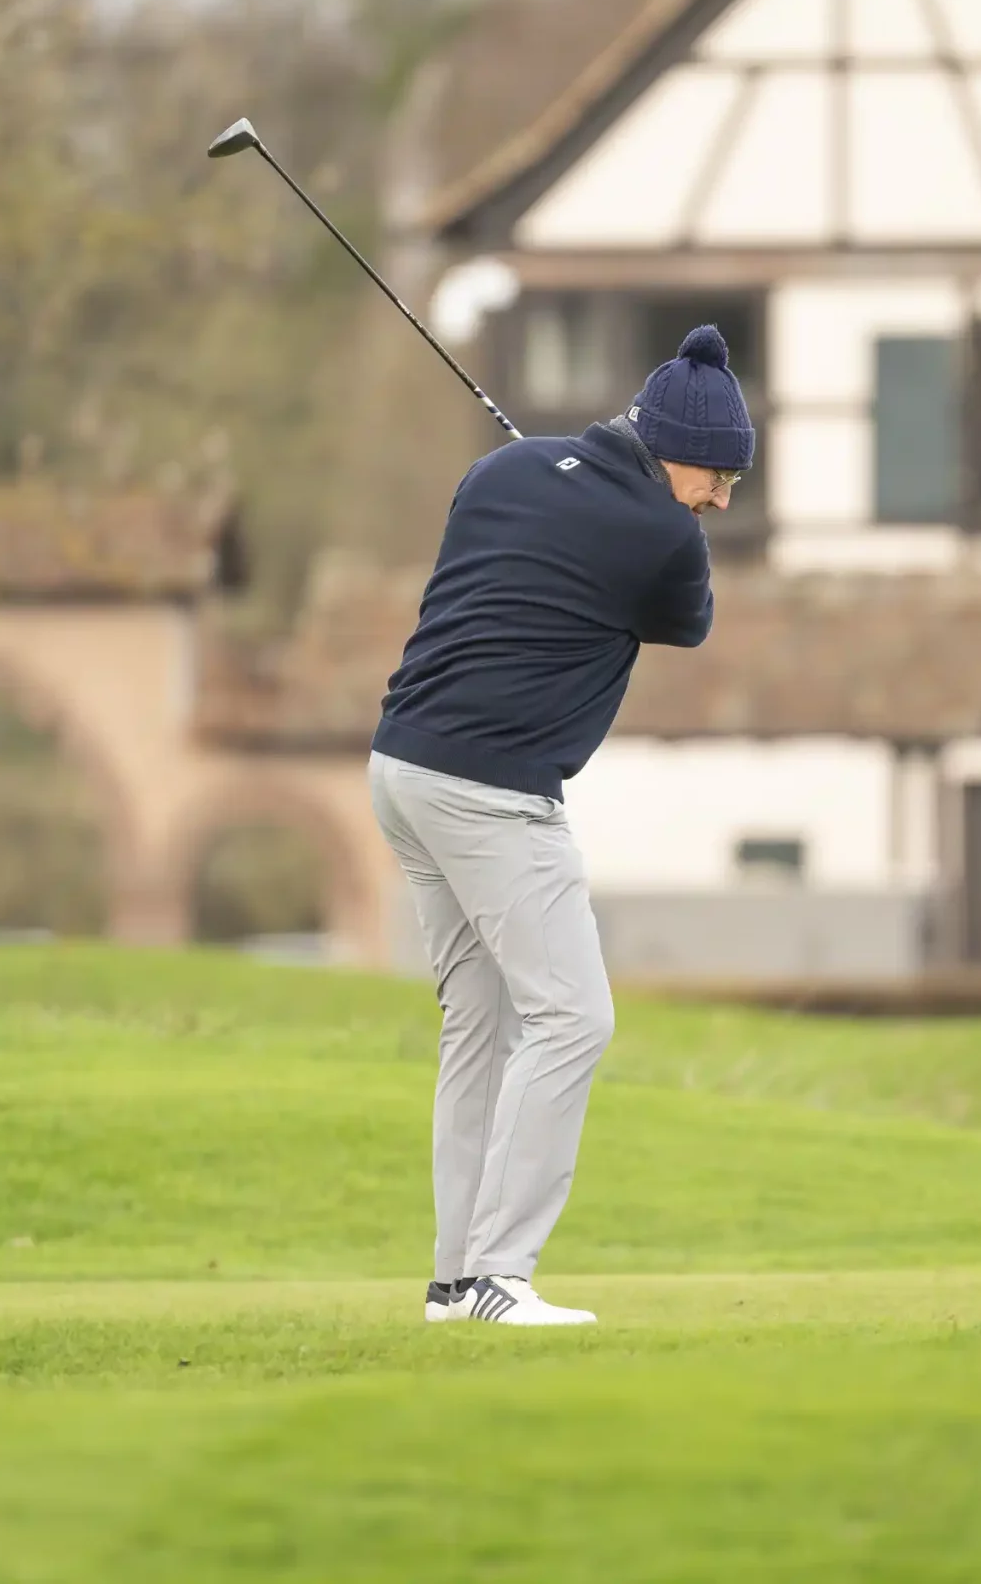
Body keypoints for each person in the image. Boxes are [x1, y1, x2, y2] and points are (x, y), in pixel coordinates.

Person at [368, 323, 752, 1327]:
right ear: (670, 451)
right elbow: (687, 620)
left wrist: (577, 489)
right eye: (715, 477)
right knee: (573, 1017)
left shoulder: (500, 472)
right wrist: (638, 512)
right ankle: (501, 1273)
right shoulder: (664, 538)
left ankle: (456, 1284)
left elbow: (513, 535)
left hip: (401, 768)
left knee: (483, 1025)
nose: (720, 500)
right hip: (491, 789)